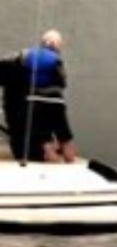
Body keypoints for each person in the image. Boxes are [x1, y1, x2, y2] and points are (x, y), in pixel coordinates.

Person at [0, 29, 76, 163]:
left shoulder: (26, 54)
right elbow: (62, 82)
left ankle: (49, 158)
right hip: (56, 103)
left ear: (42, 42)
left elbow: (8, 67)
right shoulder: (56, 60)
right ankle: (70, 160)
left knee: (43, 141)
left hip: (33, 102)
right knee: (65, 138)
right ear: (57, 46)